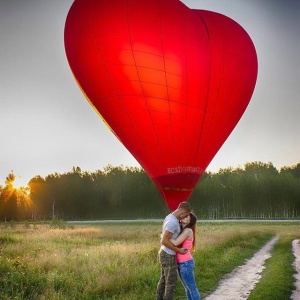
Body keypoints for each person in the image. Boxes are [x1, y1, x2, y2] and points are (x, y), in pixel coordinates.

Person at [156, 202, 192, 300]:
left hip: (164, 253)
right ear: (183, 211)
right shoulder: (173, 222)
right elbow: (164, 240)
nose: (185, 217)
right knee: (171, 283)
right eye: (186, 215)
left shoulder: (170, 217)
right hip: (168, 255)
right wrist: (178, 250)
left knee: (163, 281)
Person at [170, 212, 201, 300]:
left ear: (190, 221)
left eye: (187, 216)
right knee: (187, 289)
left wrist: (165, 237)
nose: (184, 216)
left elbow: (176, 243)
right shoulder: (182, 230)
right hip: (181, 264)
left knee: (192, 289)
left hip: (186, 263)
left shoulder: (188, 231)